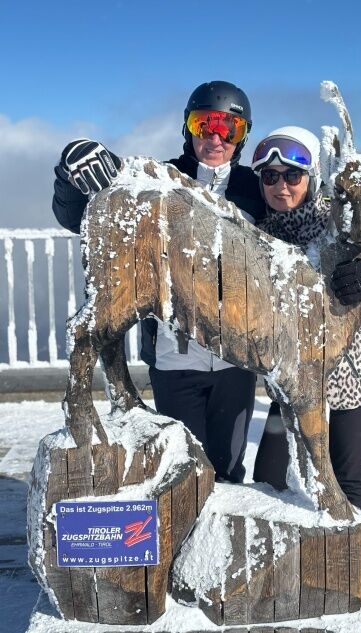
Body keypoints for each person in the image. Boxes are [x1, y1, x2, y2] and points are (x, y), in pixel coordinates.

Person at [52, 80, 266, 483]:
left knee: (227, 470)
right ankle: (182, 545)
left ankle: (217, 547)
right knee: (181, 471)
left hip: (237, 360)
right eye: (205, 124)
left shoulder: (256, 189)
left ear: (243, 135)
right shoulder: (160, 180)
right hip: (174, 359)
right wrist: (69, 174)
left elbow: (299, 227)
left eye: (230, 128)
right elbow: (81, 216)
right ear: (188, 128)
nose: (216, 138)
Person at [250, 126, 361, 561]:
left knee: (348, 477)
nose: (281, 186)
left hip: (352, 375)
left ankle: (360, 568)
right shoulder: (258, 236)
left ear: (313, 176)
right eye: (269, 177)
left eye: (292, 175)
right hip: (292, 378)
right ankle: (282, 565)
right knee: (271, 474)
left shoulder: (343, 222)